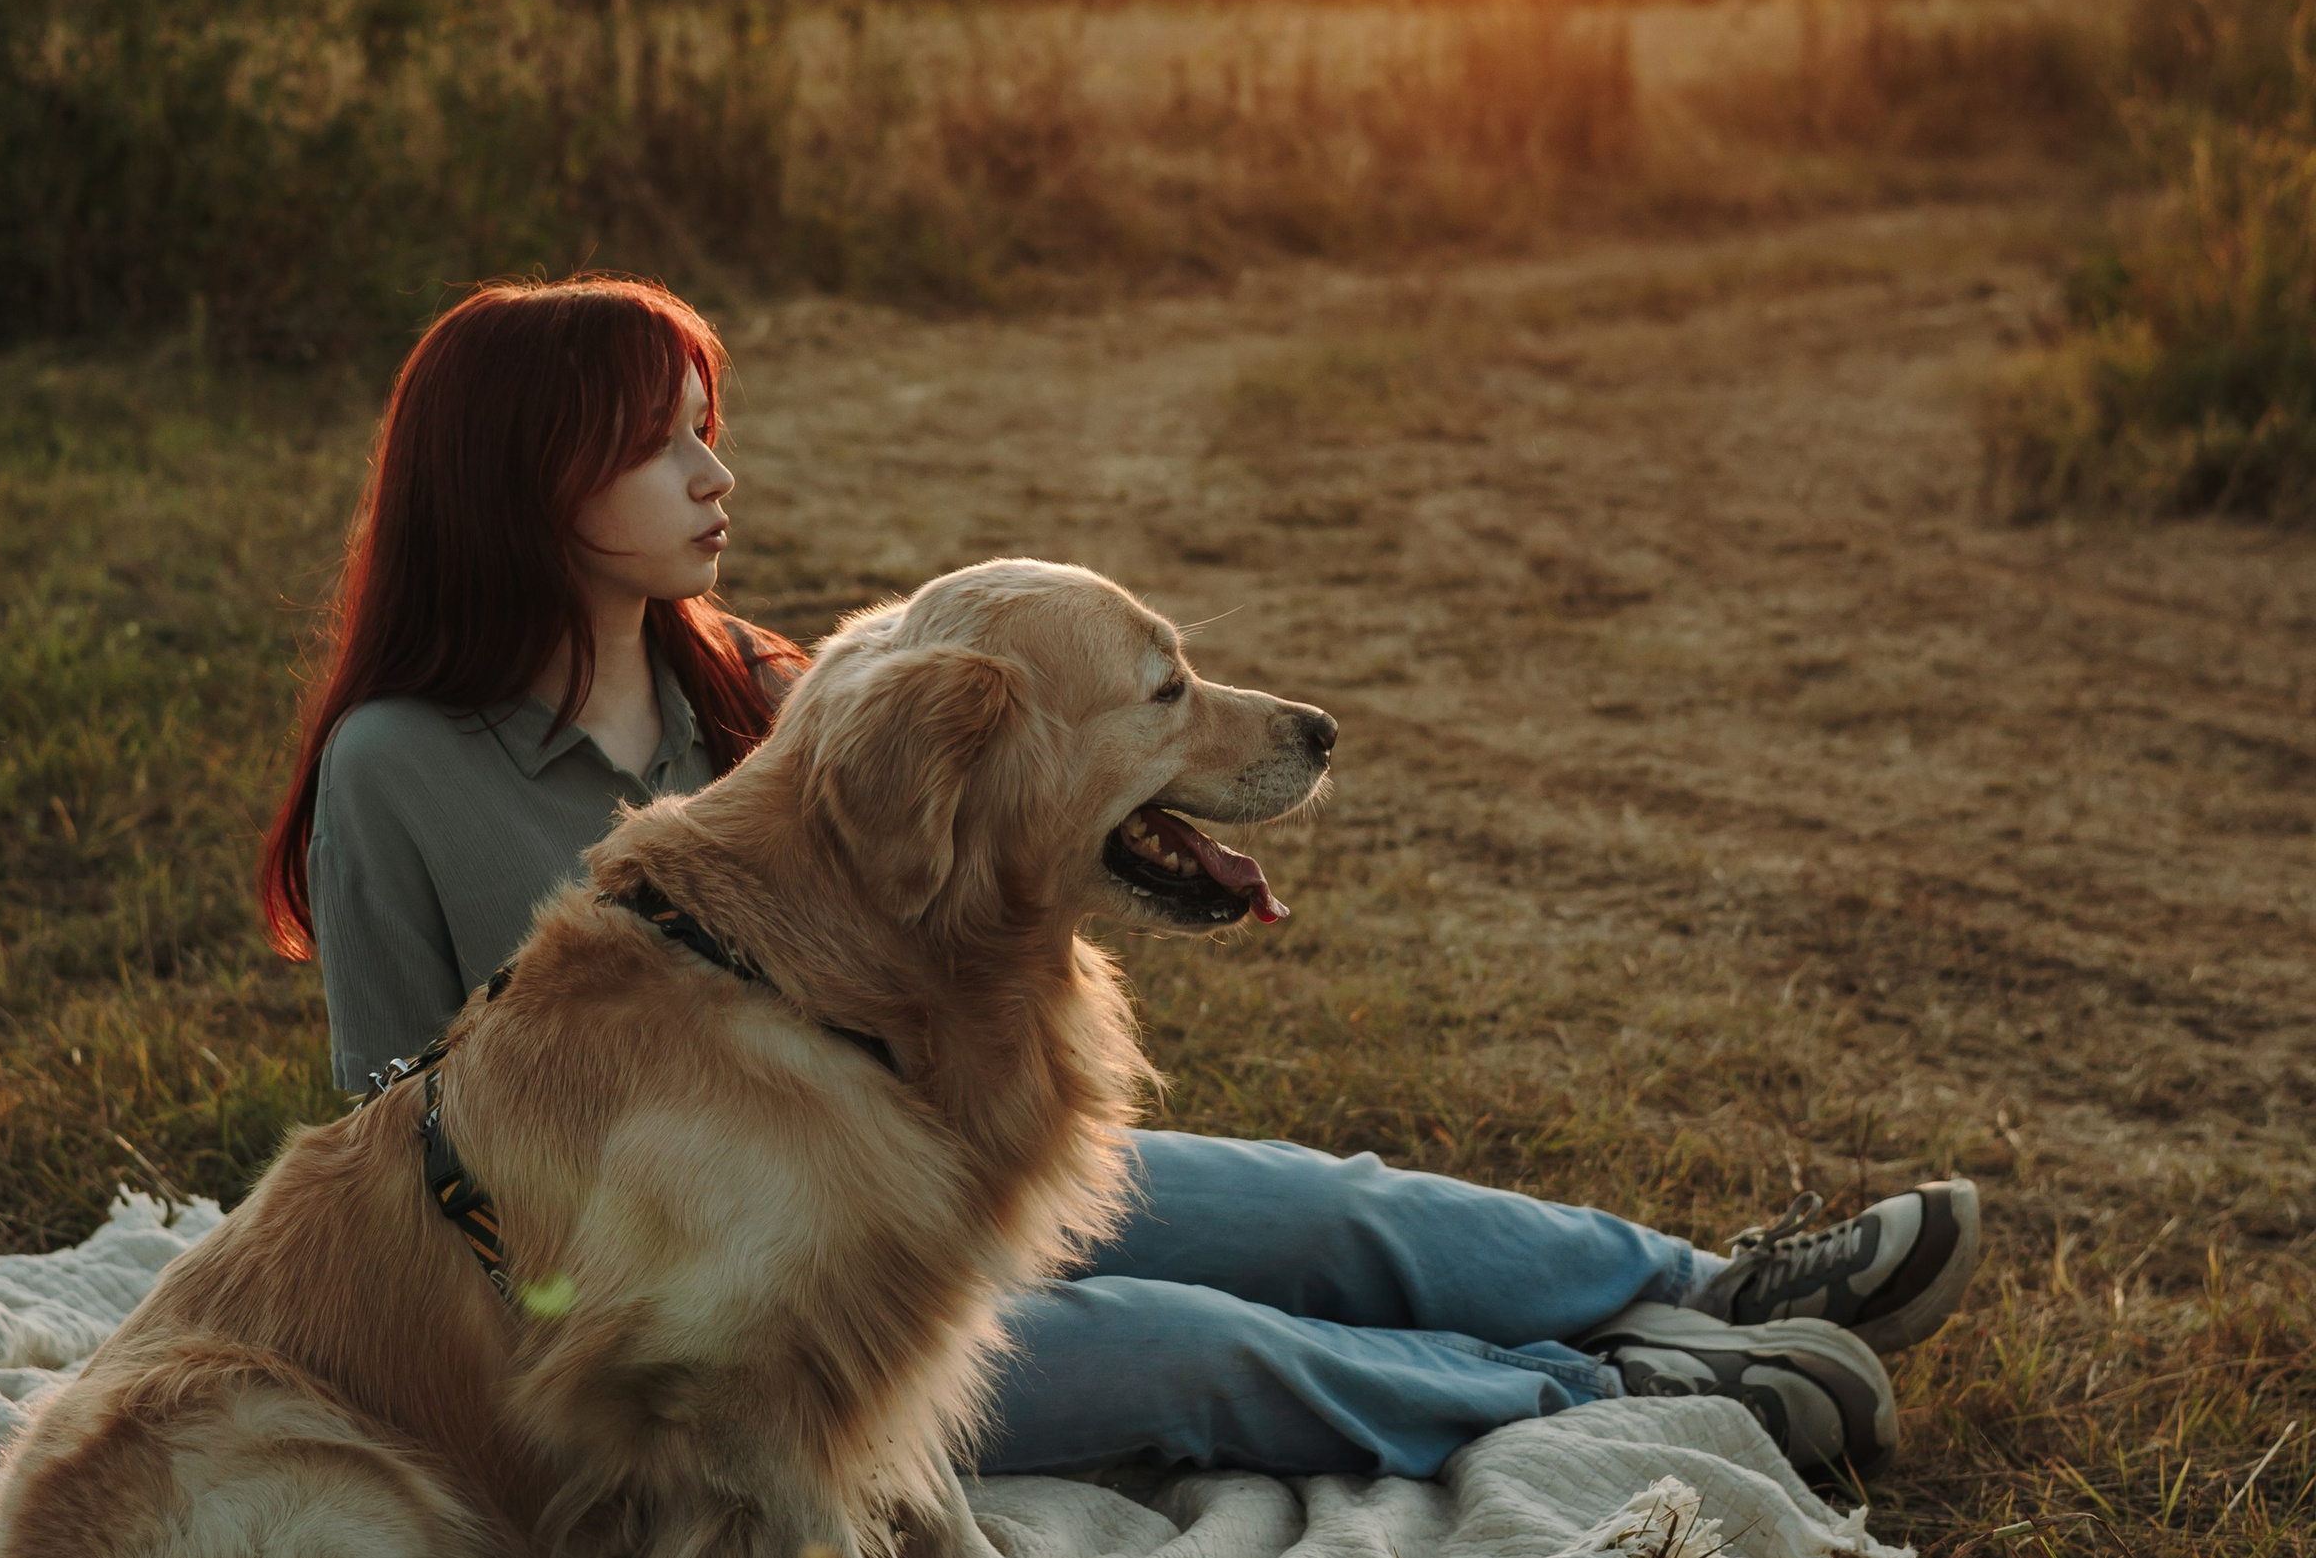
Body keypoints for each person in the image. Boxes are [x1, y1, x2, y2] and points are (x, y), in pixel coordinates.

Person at [264, 276, 1981, 1485]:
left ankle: (1707, 1284)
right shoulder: (395, 770)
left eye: (710, 428)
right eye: (661, 444)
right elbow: (400, 1133)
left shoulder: (781, 695)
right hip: (750, 1312)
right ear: (522, 479)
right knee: (1197, 1350)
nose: (717, 474)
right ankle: (1611, 1391)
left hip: (955, 1146)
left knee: (1326, 1208)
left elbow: (965, 896)